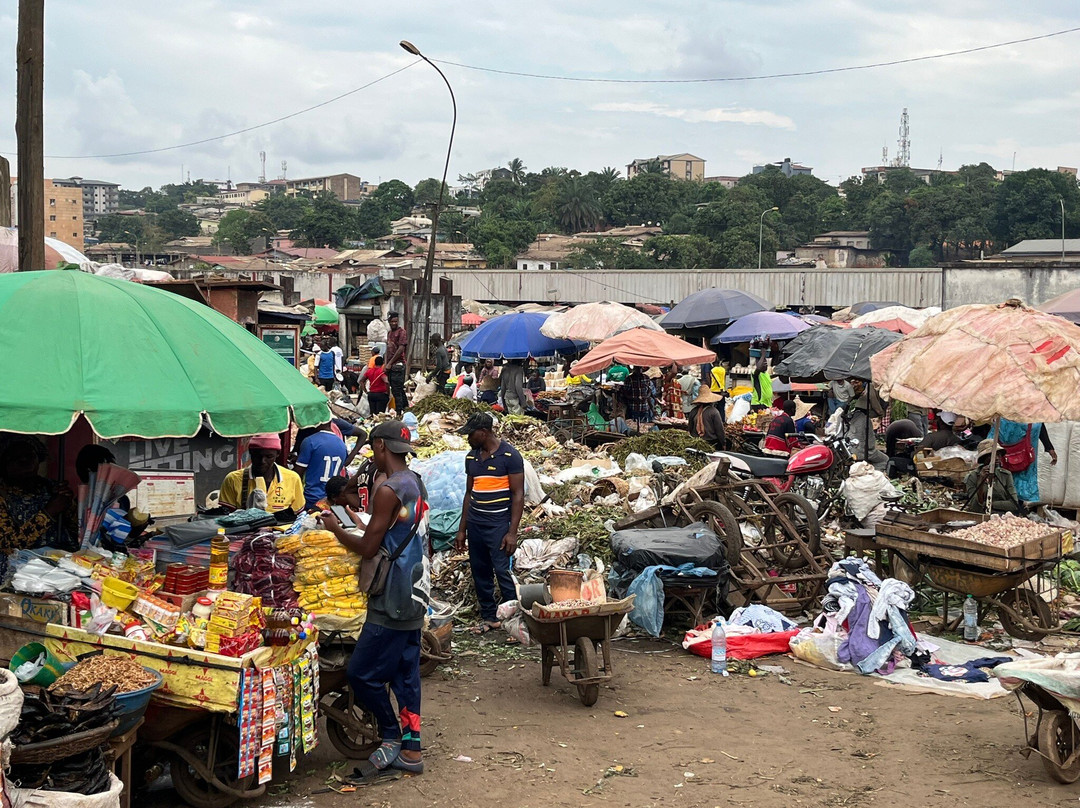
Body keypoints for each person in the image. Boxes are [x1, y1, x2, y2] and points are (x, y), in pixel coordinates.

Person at [320, 421, 428, 778]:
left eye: (373, 448)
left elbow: (369, 547)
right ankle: (412, 752)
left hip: (393, 594)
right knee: (405, 675)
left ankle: (393, 736)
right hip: (415, 590)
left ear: (381, 446)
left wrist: (336, 530)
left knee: (361, 673)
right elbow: (395, 532)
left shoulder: (388, 490)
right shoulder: (414, 481)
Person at [455, 414, 524, 635]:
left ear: (484, 432)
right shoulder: (471, 458)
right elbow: (468, 493)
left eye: (470, 434)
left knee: (502, 571)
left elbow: (518, 495)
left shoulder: (510, 456)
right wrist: (462, 529)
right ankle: (490, 616)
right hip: (476, 523)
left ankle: (513, 619)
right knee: (480, 570)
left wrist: (511, 533)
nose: (467, 439)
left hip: (498, 525)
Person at [0, 434, 77, 559]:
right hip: (23, 566)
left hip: (64, 558)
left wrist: (68, 504)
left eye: (30, 456)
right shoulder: (3, 495)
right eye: (17, 458)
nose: (25, 462)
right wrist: (49, 512)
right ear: (4, 464)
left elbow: (77, 528)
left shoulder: (51, 487)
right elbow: (9, 545)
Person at [219, 433, 304, 514]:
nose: (262, 461)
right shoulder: (233, 479)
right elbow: (226, 516)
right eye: (257, 456)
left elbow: (297, 515)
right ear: (251, 453)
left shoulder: (292, 479)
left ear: (277, 454)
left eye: (269, 457)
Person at [989, 419, 1057, 504]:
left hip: (1019, 457)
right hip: (1014, 456)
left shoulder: (1033, 417)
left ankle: (1016, 508)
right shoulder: (1005, 416)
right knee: (1006, 482)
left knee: (1015, 483)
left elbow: (1040, 426)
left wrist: (1049, 447)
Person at [294, 422, 348, 511]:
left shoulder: (310, 441)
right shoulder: (342, 444)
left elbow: (297, 474)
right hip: (331, 499)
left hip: (311, 498)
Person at [965, 440, 1022, 514]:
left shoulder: (1006, 475)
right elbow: (975, 507)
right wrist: (981, 482)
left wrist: (989, 504)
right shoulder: (972, 476)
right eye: (993, 455)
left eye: (998, 455)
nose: (997, 458)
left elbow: (1013, 504)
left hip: (1003, 516)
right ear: (984, 458)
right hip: (981, 515)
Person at [384, 312, 409, 412]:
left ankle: (399, 412)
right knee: (396, 389)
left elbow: (401, 349)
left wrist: (390, 363)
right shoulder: (389, 333)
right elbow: (387, 349)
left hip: (398, 365)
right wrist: (386, 363)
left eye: (396, 321)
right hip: (390, 366)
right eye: (392, 321)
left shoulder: (401, 332)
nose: (394, 323)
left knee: (396, 390)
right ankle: (406, 408)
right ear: (389, 322)